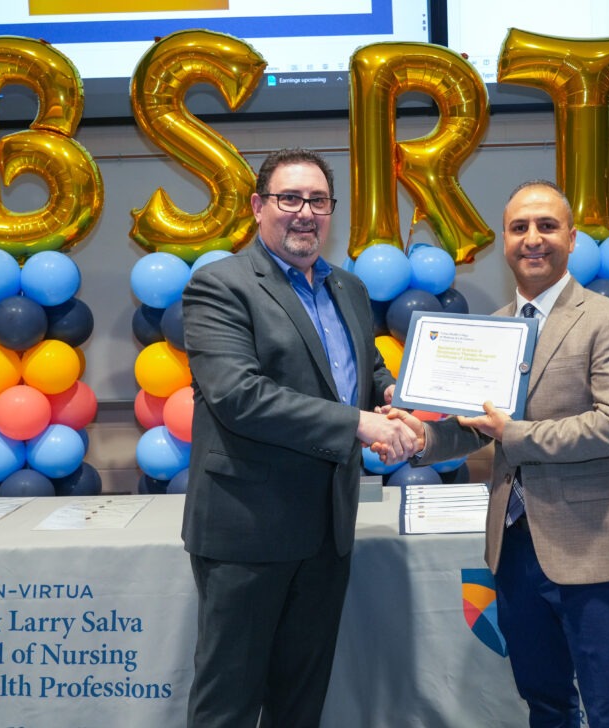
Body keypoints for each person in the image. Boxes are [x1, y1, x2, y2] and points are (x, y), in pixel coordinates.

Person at [383, 180, 609, 728]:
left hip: (590, 542)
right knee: (544, 702)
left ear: (571, 239)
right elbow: (478, 430)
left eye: (547, 226)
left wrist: (517, 434)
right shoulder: (493, 328)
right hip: (513, 547)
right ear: (504, 241)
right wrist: (422, 437)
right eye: (519, 227)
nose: (533, 238)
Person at [181, 147, 420, 727]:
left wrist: (399, 396)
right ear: (258, 206)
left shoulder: (349, 288)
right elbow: (239, 397)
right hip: (248, 532)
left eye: (318, 200)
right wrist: (360, 423)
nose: (305, 212)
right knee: (228, 706)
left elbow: (364, 372)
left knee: (301, 704)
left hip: (327, 531)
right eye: (289, 198)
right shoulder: (220, 286)